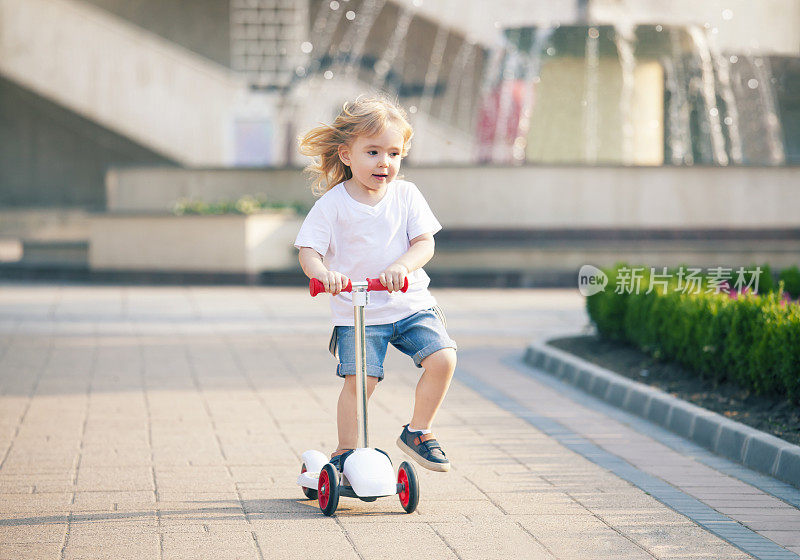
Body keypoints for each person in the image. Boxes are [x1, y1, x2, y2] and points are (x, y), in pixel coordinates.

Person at [294, 95, 457, 473]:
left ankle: (419, 431)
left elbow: (424, 242)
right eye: (372, 152)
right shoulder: (332, 205)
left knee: (443, 358)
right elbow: (308, 252)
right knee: (361, 382)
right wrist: (323, 275)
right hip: (358, 312)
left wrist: (402, 266)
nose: (384, 162)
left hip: (410, 303)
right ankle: (345, 452)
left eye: (394, 153)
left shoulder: (406, 195)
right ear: (346, 155)